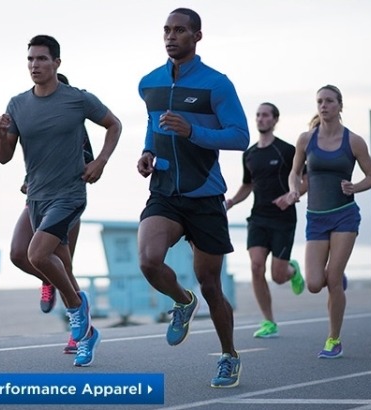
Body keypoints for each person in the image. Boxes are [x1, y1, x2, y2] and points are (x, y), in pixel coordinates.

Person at [136, 8, 249, 388]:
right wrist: (148, 151)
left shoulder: (217, 84)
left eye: (180, 30)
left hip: (205, 194)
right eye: (167, 30)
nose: (171, 36)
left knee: (211, 285)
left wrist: (192, 132)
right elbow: (153, 124)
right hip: (165, 190)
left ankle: (229, 355)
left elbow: (239, 136)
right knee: (148, 261)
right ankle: (183, 302)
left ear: (197, 36)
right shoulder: (149, 83)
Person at [0, 35, 122, 367]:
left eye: (41, 59)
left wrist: (100, 162)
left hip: (69, 196)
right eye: (30, 59)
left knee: (38, 254)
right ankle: (86, 335)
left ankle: (77, 308)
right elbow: (4, 157)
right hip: (37, 196)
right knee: (38, 259)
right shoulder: (17, 104)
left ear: (56, 63)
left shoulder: (77, 99)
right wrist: (0, 135)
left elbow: (114, 124)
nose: (34, 65)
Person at [285, 84, 371, 359]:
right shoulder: (305, 139)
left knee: (332, 279)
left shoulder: (354, 141)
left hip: (344, 215)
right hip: (316, 218)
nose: (323, 106)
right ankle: (336, 273)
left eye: (329, 101)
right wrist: (293, 190)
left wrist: (354, 187)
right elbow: (294, 173)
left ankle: (333, 339)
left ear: (339, 106)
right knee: (315, 284)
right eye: (319, 102)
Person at [9, 73, 95, 355]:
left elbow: (88, 162)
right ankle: (47, 278)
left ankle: (81, 334)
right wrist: (28, 181)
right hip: (37, 198)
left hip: (66, 200)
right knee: (19, 254)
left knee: (64, 267)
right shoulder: (32, 115)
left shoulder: (74, 124)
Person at [225, 102, 307, 339]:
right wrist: (232, 201)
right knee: (256, 266)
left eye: (265, 115)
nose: (261, 119)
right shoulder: (249, 154)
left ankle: (292, 270)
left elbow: (307, 180)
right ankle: (269, 322)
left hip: (283, 219)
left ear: (275, 120)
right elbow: (247, 185)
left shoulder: (287, 150)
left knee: (278, 276)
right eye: (258, 115)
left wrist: (291, 197)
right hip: (258, 218)